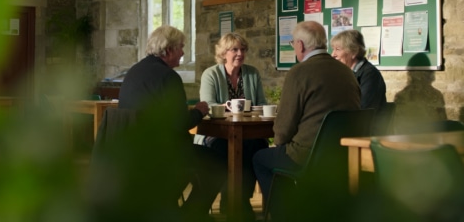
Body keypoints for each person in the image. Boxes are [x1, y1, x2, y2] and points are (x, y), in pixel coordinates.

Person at [116, 25, 225, 222]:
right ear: (168, 50)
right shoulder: (168, 77)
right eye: (181, 47)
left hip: (133, 151)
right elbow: (179, 123)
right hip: (163, 152)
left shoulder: (134, 71)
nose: (183, 52)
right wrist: (199, 111)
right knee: (218, 163)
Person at [252, 21, 360, 212]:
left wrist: (279, 142)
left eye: (293, 43)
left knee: (260, 158)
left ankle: (283, 216)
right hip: (342, 154)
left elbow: (283, 129)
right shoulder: (347, 72)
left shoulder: (299, 73)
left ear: (300, 45)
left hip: (306, 156)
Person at [195, 32, 268, 221]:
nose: (239, 53)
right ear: (223, 52)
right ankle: (232, 202)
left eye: (242, 49)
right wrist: (232, 108)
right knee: (223, 149)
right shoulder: (211, 74)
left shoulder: (252, 73)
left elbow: (261, 103)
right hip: (218, 132)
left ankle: (240, 200)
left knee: (258, 147)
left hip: (247, 132)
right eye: (234, 49)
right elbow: (208, 105)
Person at [331, 29, 387, 112]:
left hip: (365, 123)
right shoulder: (343, 73)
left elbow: (364, 108)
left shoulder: (369, 74)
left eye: (338, 49)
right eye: (333, 49)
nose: (333, 55)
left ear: (354, 52)